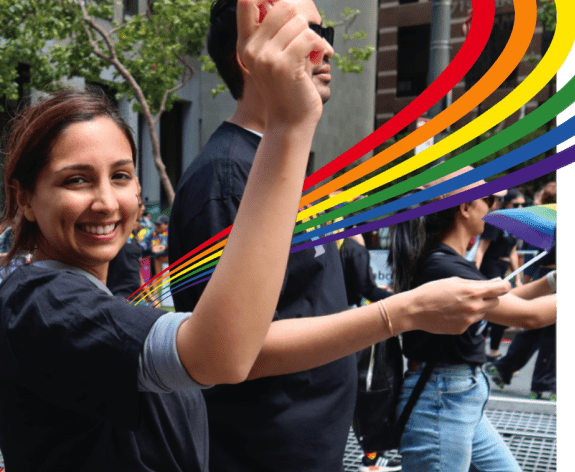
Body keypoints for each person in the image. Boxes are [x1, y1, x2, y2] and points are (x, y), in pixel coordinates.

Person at [0, 5, 510, 472]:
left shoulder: (102, 280)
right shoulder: (43, 301)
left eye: (121, 175)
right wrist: (403, 312)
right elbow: (222, 352)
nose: (108, 202)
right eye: (75, 180)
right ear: (23, 197)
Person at [168, 2, 509, 471]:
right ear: (251, 54)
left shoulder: (276, 169)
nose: (326, 46)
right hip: (262, 455)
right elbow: (230, 351)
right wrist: (401, 313)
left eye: (323, 30)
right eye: (303, 31)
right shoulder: (228, 178)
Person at [388, 166, 557, 472]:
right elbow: (529, 317)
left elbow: (505, 302)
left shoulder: (448, 262)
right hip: (441, 401)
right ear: (465, 208)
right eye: (490, 199)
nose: (494, 207)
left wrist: (553, 282)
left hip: (454, 397)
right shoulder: (445, 267)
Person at [486, 181, 558, 400]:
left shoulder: (542, 222)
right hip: (550, 279)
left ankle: (504, 368)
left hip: (544, 278)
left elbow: (530, 258)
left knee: (537, 330)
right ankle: (544, 383)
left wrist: (524, 280)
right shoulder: (552, 222)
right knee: (551, 332)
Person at [474, 188, 523, 361]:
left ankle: (494, 351)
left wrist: (518, 277)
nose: (518, 208)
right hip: (490, 267)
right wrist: (475, 273)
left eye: (521, 205)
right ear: (507, 203)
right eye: (516, 204)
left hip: (503, 268)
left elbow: (513, 252)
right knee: (489, 310)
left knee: (501, 312)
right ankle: (477, 348)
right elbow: (481, 249)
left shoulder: (513, 224)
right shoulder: (495, 221)